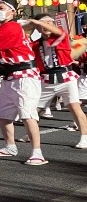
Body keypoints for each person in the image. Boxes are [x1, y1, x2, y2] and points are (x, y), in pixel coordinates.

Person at [0, 0, 43, 165]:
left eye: (1, 8)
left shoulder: (11, 28)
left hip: (25, 76)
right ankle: (10, 147)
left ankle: (37, 152)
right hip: (9, 76)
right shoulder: (5, 28)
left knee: (27, 114)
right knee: (4, 116)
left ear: (12, 11)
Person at [31, 14, 87, 148]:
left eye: (50, 23)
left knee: (74, 107)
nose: (48, 26)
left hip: (66, 76)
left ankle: (84, 137)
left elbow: (60, 32)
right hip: (46, 78)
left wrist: (38, 22)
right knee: (33, 110)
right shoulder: (35, 43)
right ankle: (32, 133)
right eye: (44, 24)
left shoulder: (61, 37)